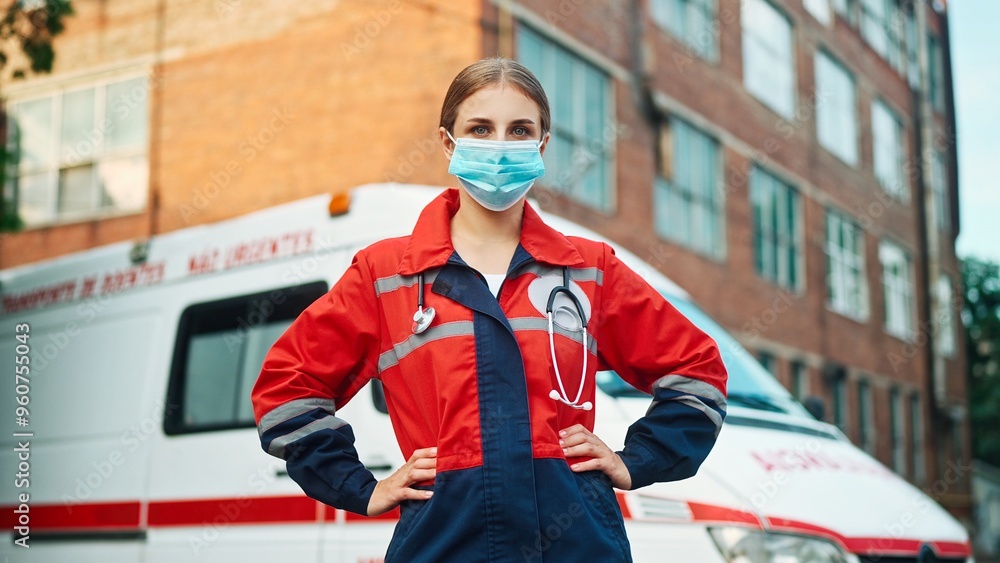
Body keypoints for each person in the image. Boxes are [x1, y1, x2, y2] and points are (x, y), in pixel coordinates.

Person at [251, 57, 728, 562]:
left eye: (519, 130)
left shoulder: (589, 270)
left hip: (577, 545)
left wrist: (638, 460)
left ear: (542, 145)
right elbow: (287, 389)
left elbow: (697, 371)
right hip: (444, 545)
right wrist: (360, 488)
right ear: (448, 142)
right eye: (480, 128)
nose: (500, 146)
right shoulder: (387, 275)